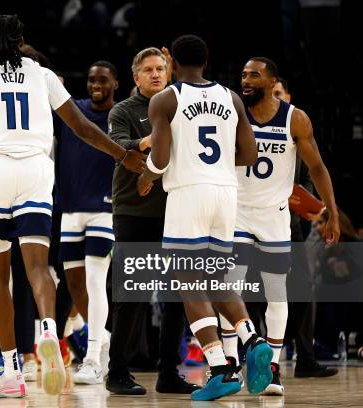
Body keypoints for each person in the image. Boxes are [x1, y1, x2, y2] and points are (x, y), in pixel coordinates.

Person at [0, 14, 145, 397]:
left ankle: (11, 369)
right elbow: (82, 127)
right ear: (22, 39)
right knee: (38, 267)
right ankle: (47, 329)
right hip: (36, 172)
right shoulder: (43, 75)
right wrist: (122, 154)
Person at [137, 34, 272, 401]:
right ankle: (250, 336)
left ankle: (222, 368)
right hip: (225, 194)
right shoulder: (231, 97)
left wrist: (146, 175)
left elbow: (161, 159)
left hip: (188, 194)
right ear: (207, 61)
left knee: (191, 285)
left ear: (173, 65)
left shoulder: (167, 99)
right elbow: (249, 154)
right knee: (215, 278)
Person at [218, 57, 340, 396]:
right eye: (242, 74)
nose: (246, 80)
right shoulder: (232, 112)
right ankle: (229, 365)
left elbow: (317, 168)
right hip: (237, 212)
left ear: (273, 81)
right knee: (232, 287)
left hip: (275, 216)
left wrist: (331, 211)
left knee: (277, 292)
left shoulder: (294, 118)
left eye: (254, 75)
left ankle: (271, 369)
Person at [105, 46, 197, 396]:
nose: (156, 74)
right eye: (148, 70)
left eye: (161, 68)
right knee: (132, 295)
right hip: (133, 211)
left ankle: (168, 373)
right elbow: (120, 147)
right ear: (136, 76)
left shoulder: (180, 106)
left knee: (177, 296)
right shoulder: (123, 110)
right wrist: (151, 139)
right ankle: (117, 371)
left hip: (175, 210)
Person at [56, 60, 119, 384]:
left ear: (116, 84)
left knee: (96, 282)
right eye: (92, 79)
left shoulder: (119, 115)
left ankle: (93, 356)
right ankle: (103, 337)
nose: (96, 84)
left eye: (103, 80)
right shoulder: (73, 111)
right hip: (70, 209)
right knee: (75, 286)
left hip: (104, 209)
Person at [273, 76, 338, 378]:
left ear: (287, 96)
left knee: (301, 289)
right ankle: (246, 352)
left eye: (278, 94)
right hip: (251, 221)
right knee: (252, 291)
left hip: (291, 222)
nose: (273, 99)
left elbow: (311, 176)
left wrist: (307, 201)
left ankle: (305, 357)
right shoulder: (248, 125)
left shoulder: (295, 126)